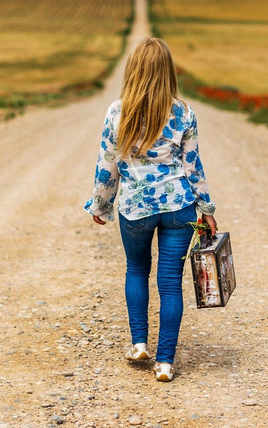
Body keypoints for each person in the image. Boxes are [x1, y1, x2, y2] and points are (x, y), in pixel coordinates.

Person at [84, 37, 217, 382]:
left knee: (137, 270)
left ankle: (140, 342)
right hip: (179, 207)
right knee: (170, 284)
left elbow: (107, 165)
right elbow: (193, 166)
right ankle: (165, 362)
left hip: (135, 209)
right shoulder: (184, 113)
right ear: (167, 72)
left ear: (134, 71)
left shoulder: (118, 111)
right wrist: (207, 207)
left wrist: (101, 203)